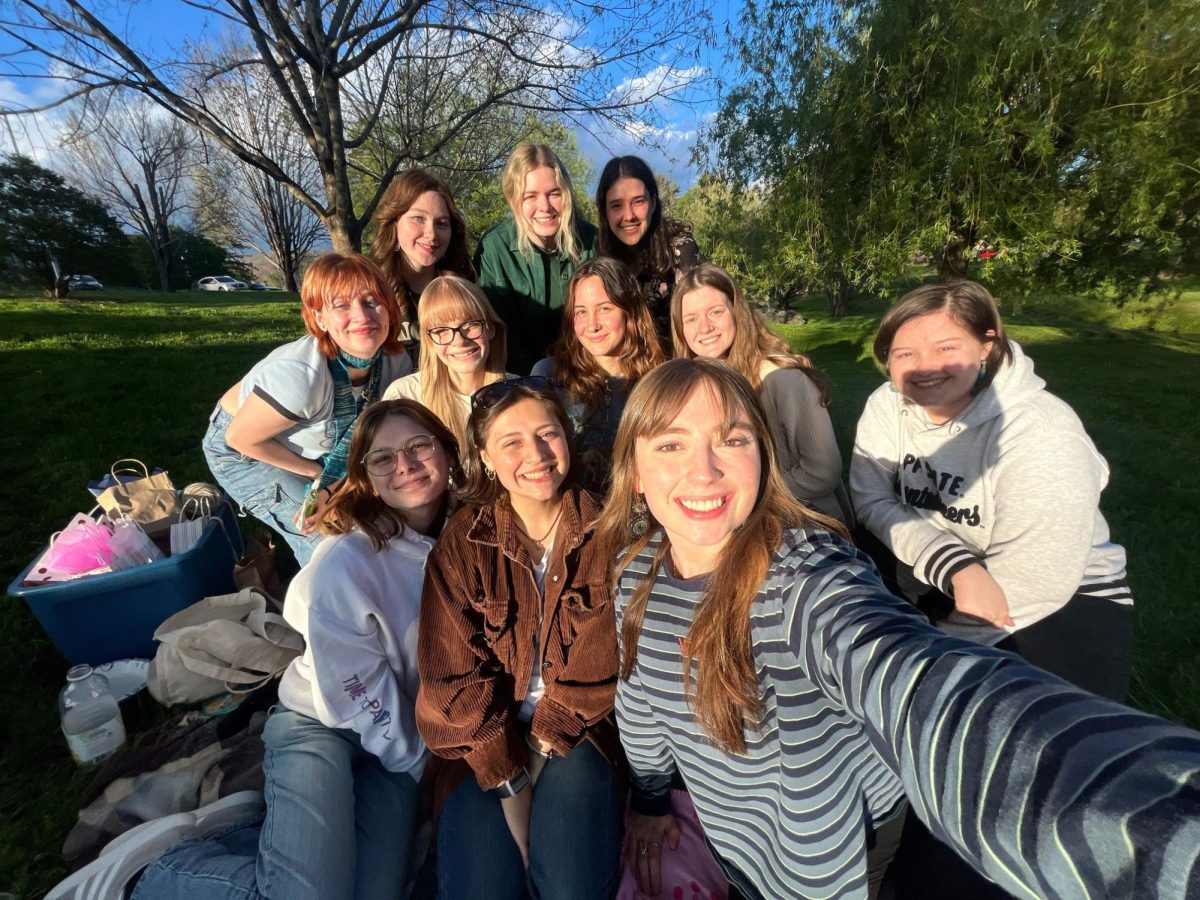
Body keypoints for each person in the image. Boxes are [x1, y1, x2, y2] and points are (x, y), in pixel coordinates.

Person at [596, 357, 1200, 900]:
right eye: (671, 446)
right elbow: (641, 698)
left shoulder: (806, 577)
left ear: (763, 456)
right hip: (736, 844)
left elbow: (906, 671)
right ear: (635, 471)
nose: (704, 471)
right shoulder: (638, 575)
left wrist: (1147, 820)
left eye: (732, 439)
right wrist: (649, 801)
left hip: (835, 857)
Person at [129, 399, 461, 900]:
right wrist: (421, 766)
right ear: (365, 478)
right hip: (322, 725)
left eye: (419, 446)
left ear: (449, 452)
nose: (406, 466)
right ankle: (165, 871)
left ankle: (262, 841)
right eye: (382, 458)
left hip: (397, 737)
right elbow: (351, 690)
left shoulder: (468, 536)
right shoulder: (346, 562)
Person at [849, 280, 1134, 700]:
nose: (924, 367)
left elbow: (1037, 580)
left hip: (1060, 592)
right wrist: (956, 567)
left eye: (947, 348)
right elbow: (870, 499)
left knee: (1049, 735)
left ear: (987, 345)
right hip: (938, 563)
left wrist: (930, 653)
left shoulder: (1041, 431)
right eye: (904, 353)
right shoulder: (887, 404)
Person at [415, 376, 622, 900]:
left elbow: (601, 661)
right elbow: (452, 678)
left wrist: (539, 749)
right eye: (511, 442)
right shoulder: (463, 542)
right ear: (485, 457)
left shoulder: (607, 530)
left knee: (566, 886)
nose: (536, 454)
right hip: (482, 738)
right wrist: (511, 784)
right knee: (482, 885)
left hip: (577, 733)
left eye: (548, 434)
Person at [202, 252, 411, 565]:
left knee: (380, 520)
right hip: (245, 450)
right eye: (342, 305)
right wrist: (321, 480)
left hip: (310, 444)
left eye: (372, 301)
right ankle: (320, 606)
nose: (362, 316)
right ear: (320, 318)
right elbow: (240, 437)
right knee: (327, 543)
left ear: (390, 309)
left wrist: (343, 482)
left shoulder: (397, 363)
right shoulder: (301, 376)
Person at [671, 263, 852, 524]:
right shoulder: (693, 388)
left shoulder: (784, 379)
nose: (705, 327)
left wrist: (745, 495)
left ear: (737, 313)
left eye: (715, 312)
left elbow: (822, 471)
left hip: (799, 524)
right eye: (691, 319)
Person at [531, 257, 665, 489]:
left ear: (629, 311)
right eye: (580, 312)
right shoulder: (548, 376)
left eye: (604, 309)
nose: (592, 325)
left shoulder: (659, 379)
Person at [475, 143, 597, 373]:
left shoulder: (592, 241)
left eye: (554, 194)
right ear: (513, 200)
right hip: (515, 378)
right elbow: (496, 334)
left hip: (584, 371)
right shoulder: (493, 248)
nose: (545, 207)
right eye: (530, 196)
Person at [383, 275, 514, 451]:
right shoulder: (405, 397)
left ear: (490, 328)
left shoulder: (519, 394)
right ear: (428, 341)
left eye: (470, 324)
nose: (459, 341)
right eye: (441, 330)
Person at [367, 167, 476, 353]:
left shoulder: (465, 288)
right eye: (418, 218)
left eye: (441, 223)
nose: (431, 234)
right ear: (394, 221)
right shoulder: (368, 287)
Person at [594, 155, 700, 342]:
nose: (629, 215)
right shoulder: (599, 252)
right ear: (605, 211)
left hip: (677, 361)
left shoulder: (680, 248)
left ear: (653, 203)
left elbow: (697, 317)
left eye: (638, 202)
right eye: (616, 205)